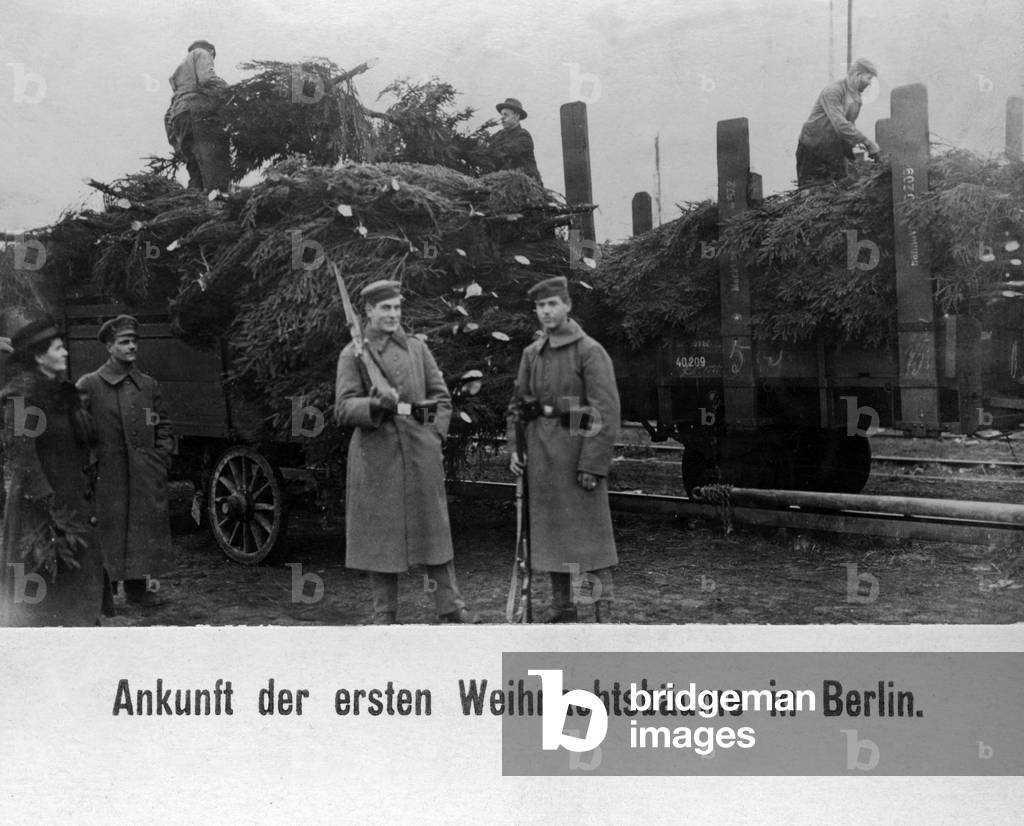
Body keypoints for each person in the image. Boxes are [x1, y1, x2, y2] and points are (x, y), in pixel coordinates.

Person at [334, 280, 478, 624]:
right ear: (368, 311)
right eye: (385, 308)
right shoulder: (353, 353)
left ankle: (450, 607)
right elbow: (342, 408)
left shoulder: (416, 349)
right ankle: (384, 613)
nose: (393, 315)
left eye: (397, 308)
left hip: (419, 451)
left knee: (435, 531)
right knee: (380, 537)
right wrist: (373, 404)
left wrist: (435, 437)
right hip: (377, 454)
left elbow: (441, 399)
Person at [508, 276, 620, 623]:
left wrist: (593, 464)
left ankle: (598, 610)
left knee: (588, 541)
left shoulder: (589, 351)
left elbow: (605, 411)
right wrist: (515, 447)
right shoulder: (532, 353)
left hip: (577, 460)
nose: (546, 311)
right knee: (552, 535)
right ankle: (561, 606)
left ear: (567, 306)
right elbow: (518, 405)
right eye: (540, 306)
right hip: (542, 460)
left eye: (552, 304)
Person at [0, 317, 107, 626]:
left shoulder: (64, 393)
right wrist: (49, 508)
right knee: (46, 595)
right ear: (38, 356)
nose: (66, 354)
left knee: (77, 587)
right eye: (58, 349)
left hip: (73, 501)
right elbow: (22, 456)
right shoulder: (22, 396)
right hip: (42, 511)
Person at [76, 315, 174, 609]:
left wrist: (160, 460)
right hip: (106, 474)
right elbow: (77, 430)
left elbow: (163, 426)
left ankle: (138, 589)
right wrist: (89, 466)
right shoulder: (89, 385)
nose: (132, 347)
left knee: (141, 528)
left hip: (144, 473)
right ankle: (103, 593)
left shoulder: (148, 385)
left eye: (134, 341)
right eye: (124, 342)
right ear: (109, 346)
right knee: (108, 529)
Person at [796, 58, 881, 187]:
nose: (869, 84)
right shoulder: (833, 91)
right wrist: (867, 143)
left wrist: (853, 152)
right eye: (868, 78)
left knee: (837, 189)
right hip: (812, 148)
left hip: (832, 149)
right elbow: (841, 125)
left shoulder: (857, 99)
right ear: (857, 74)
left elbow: (850, 125)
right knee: (810, 192)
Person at [164, 39, 231, 193]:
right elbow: (207, 79)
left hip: (181, 118)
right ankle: (219, 204)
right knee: (214, 163)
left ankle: (193, 205)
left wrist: (178, 146)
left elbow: (168, 118)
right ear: (211, 52)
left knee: (195, 170)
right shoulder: (202, 53)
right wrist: (232, 91)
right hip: (198, 113)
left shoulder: (178, 80)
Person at [485, 97, 543, 184]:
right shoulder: (498, 135)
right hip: (503, 182)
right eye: (501, 114)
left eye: (506, 115)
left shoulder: (523, 136)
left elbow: (507, 151)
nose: (502, 118)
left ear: (517, 116)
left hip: (526, 185)